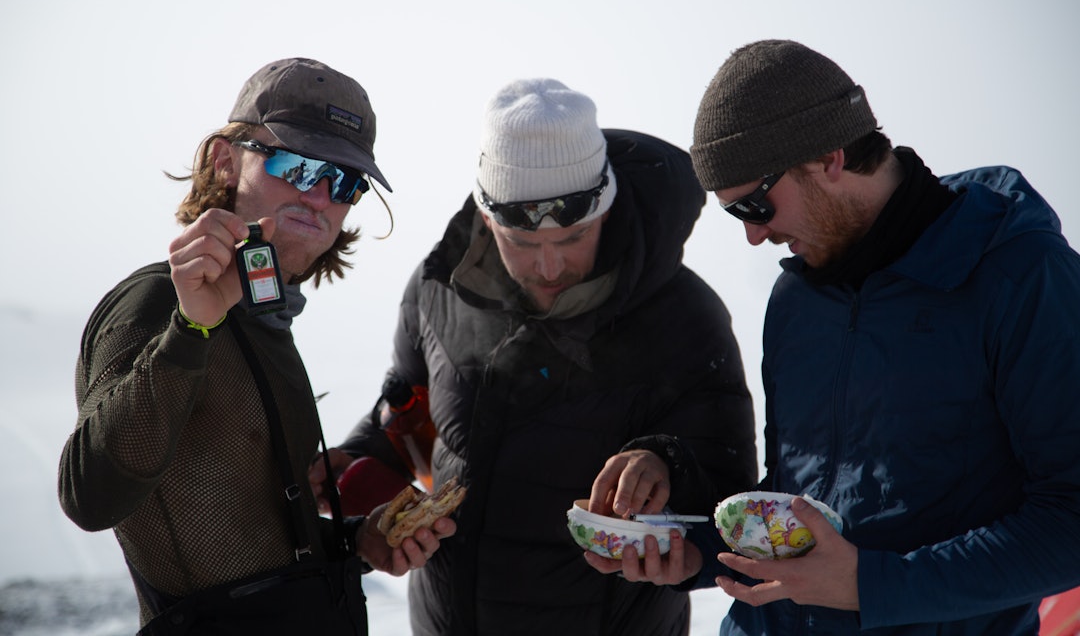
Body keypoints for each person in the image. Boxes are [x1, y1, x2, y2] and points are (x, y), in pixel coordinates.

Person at [586, 39, 1080, 634]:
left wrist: (873, 586)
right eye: (735, 213)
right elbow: (799, 504)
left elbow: (1070, 517)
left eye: (756, 206)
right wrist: (690, 549)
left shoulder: (1019, 273)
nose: (754, 236)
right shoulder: (799, 298)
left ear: (829, 158)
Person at [310, 78, 758, 635]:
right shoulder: (440, 290)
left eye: (572, 237)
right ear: (487, 217)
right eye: (521, 243)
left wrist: (665, 463)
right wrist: (361, 464)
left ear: (607, 207)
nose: (548, 268)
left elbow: (732, 497)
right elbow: (416, 421)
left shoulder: (686, 318)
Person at [57, 57, 455, 635]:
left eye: (345, 181)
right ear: (224, 160)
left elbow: (250, 538)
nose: (321, 196)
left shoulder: (266, 319)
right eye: (296, 165)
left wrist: (358, 541)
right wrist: (190, 328)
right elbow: (90, 495)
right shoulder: (154, 305)